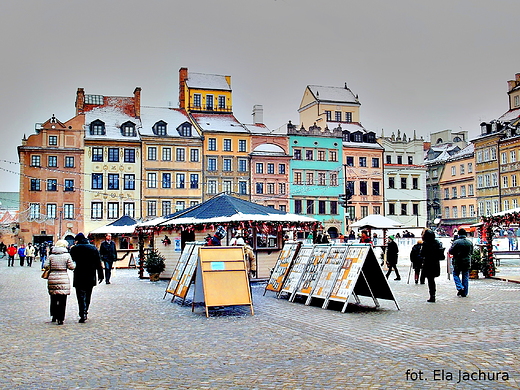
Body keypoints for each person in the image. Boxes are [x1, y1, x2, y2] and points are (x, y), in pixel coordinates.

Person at [70, 233, 104, 323]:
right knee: (88, 295)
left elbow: (71, 260)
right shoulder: (93, 248)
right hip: (90, 273)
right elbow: (98, 262)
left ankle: (82, 313)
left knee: (80, 295)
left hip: (79, 274)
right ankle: (85, 311)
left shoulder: (74, 249)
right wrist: (101, 274)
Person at [43, 240, 75, 325]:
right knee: (62, 299)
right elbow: (71, 267)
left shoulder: (51, 256)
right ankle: (61, 318)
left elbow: (45, 265)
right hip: (63, 278)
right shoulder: (67, 255)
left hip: (52, 277)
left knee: (53, 298)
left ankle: (54, 315)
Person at [420, 229, 445, 303]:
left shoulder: (425, 243)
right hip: (435, 263)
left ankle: (432, 295)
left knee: (430, 280)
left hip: (428, 263)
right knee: (432, 280)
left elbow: (422, 254)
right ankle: (433, 295)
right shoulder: (437, 243)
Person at [449, 228, 473, 297]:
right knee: (465, 276)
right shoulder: (469, 242)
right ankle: (464, 293)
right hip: (467, 261)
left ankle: (460, 287)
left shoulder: (456, 242)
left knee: (455, 274)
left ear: (459, 234)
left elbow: (451, 251)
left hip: (457, 261)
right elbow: (471, 252)